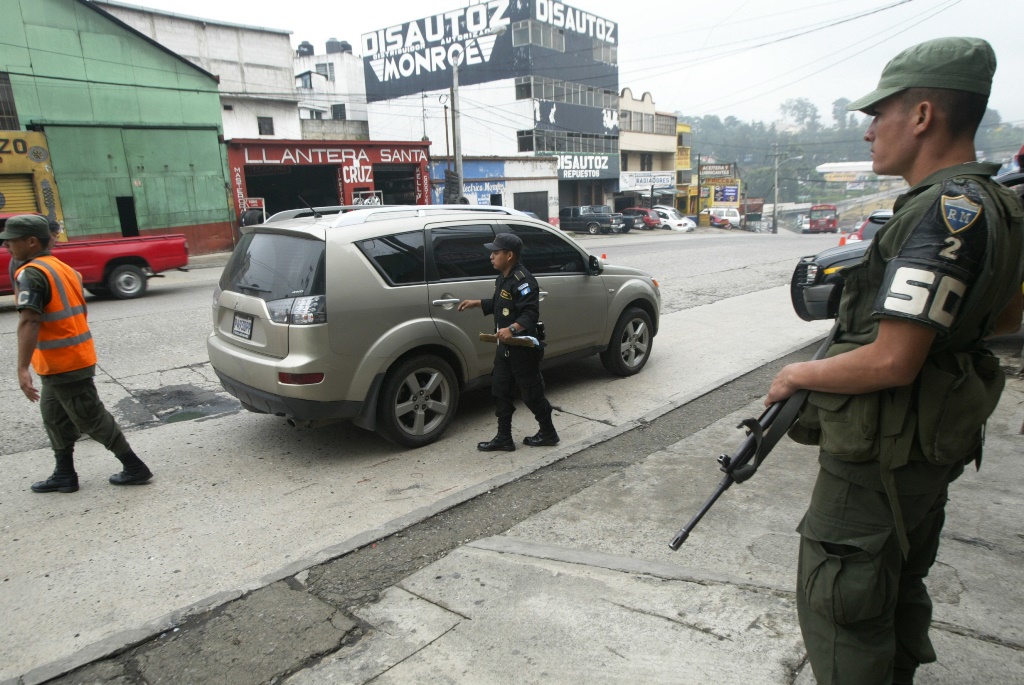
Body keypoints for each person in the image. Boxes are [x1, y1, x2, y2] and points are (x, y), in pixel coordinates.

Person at [766, 38, 1024, 684]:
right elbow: (1008, 317)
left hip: (882, 453)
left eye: (879, 114)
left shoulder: (943, 212)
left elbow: (891, 361)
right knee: (897, 583)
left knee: (843, 605)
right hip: (927, 448)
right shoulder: (998, 204)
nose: (868, 133)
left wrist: (798, 373)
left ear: (923, 116)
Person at [2, 214, 154, 493]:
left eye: (10, 241)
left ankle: (134, 467)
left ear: (31, 241)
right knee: (54, 417)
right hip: (59, 362)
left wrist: (22, 368)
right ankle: (64, 474)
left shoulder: (33, 273)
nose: (7, 247)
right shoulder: (61, 267)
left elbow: (30, 320)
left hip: (66, 363)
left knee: (90, 418)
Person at [457, 232, 559, 452]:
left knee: (532, 395)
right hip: (505, 348)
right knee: (500, 391)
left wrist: (512, 329)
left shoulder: (524, 281)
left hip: (522, 348)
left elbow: (530, 314)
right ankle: (504, 438)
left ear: (509, 254)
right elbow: (498, 303)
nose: (491, 257)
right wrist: (477, 303)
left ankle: (548, 433)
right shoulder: (503, 277)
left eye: (495, 253)